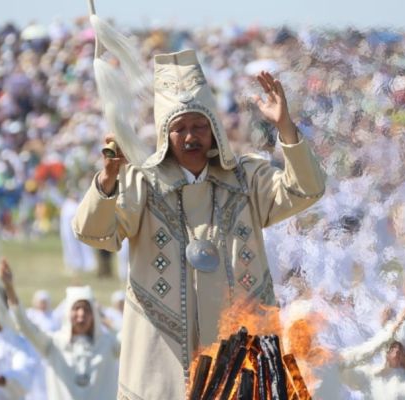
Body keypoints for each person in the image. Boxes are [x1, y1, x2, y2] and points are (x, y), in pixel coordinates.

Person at [72, 50, 325, 398]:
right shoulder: (141, 182)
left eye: (199, 126)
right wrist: (107, 180)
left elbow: (306, 189)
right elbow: (94, 233)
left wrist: (285, 128)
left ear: (214, 128)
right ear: (165, 133)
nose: (190, 136)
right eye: (179, 128)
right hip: (163, 356)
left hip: (241, 349)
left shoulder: (246, 178)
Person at [1, 259, 120, 399]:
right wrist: (9, 288)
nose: (81, 314)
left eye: (87, 309)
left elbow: (129, 337)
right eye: (76, 308)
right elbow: (25, 326)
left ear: (93, 315)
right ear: (68, 312)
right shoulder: (54, 343)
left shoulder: (108, 344)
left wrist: (105, 320)